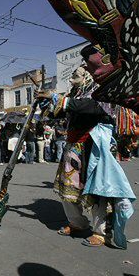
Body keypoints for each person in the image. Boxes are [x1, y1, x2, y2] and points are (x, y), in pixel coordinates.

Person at [36, 65, 136, 249]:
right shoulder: (75, 93)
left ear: (87, 76)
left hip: (93, 145)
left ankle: (101, 231)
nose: (73, 76)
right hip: (73, 145)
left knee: (97, 188)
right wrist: (48, 104)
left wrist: (59, 99)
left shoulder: (101, 91)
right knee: (67, 186)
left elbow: (92, 107)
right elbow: (63, 111)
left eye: (77, 74)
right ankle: (77, 223)